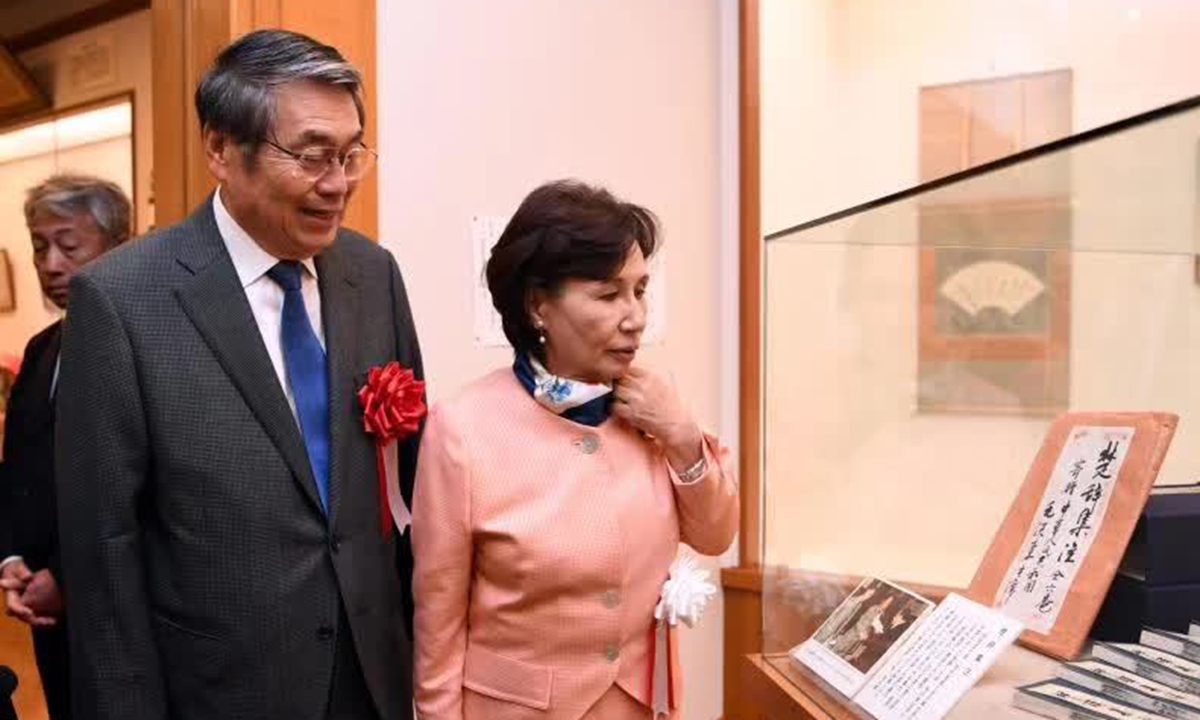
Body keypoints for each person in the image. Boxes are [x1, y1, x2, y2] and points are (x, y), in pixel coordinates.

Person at [54, 30, 423, 720]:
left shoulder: (373, 276)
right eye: (312, 156)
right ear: (222, 150)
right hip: (222, 690)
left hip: (374, 679)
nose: (337, 183)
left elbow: (406, 492)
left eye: (350, 155)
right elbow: (104, 554)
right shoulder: (124, 300)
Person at [412, 180, 739, 720]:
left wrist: (681, 435)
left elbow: (715, 533)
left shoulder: (654, 406)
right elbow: (438, 623)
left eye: (640, 291)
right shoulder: (463, 429)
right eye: (609, 295)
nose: (635, 316)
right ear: (538, 305)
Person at [0, 174, 131, 720]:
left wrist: (68, 577)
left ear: (117, 246)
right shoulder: (41, 348)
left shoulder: (140, 344)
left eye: (68, 245)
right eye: (38, 246)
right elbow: (18, 470)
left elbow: (137, 489)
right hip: (46, 612)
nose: (50, 264)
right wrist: (12, 561)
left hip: (121, 613)